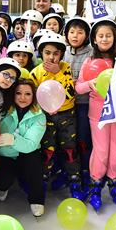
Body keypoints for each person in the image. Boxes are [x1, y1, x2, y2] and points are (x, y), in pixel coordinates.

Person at [77, 19, 116, 211]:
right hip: (98, 114)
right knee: (101, 150)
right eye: (101, 35)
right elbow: (78, 87)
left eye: (109, 35)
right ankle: (95, 184)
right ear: (94, 39)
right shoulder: (89, 61)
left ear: (115, 38)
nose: (105, 39)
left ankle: (115, 184)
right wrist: (91, 83)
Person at [29, 33, 79, 193]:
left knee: (70, 149)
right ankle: (43, 179)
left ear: (61, 55)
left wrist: (58, 72)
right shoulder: (35, 73)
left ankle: (73, 179)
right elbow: (32, 98)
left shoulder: (65, 68)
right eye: (47, 53)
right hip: (45, 117)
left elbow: (71, 92)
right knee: (47, 150)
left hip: (67, 116)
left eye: (56, 53)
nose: (51, 57)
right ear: (41, 53)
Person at [0, 78, 47, 216]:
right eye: (18, 93)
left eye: (28, 94)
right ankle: (2, 186)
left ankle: (37, 199)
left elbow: (31, 144)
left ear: (33, 96)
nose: (23, 98)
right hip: (5, 153)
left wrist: (13, 140)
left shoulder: (39, 116)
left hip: (27, 153)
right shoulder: (3, 109)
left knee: (35, 167)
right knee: (2, 180)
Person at [63, 17, 94, 201]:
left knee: (83, 140)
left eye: (80, 32)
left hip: (84, 103)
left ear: (87, 35)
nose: (75, 35)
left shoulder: (92, 53)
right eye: (72, 31)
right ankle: (69, 175)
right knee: (68, 142)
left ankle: (85, 174)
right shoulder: (63, 51)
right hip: (64, 105)